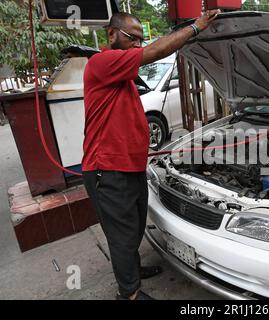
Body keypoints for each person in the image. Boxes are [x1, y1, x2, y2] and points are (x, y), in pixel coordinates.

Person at [82, 10, 220, 300]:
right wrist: (195, 28)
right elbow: (153, 53)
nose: (136, 44)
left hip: (130, 167)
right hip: (107, 170)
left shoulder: (122, 75)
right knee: (121, 234)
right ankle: (129, 293)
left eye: (139, 39)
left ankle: (132, 270)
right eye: (131, 38)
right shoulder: (102, 62)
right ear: (111, 35)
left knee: (132, 226)